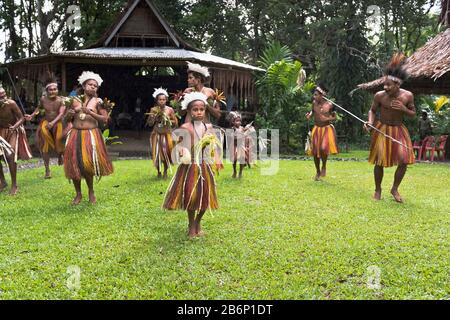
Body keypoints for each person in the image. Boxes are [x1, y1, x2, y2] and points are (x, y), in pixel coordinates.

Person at [163, 92, 220, 238]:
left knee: (205, 197)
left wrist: (213, 154)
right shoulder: (186, 127)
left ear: (205, 110)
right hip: (190, 167)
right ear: (189, 111)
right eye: (195, 109)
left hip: (204, 166)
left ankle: (197, 222)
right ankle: (191, 224)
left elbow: (213, 148)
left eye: (202, 109)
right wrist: (182, 150)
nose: (199, 112)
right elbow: (180, 144)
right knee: (191, 197)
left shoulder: (208, 127)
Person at [364, 53, 416, 203]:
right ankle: (377, 189)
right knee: (379, 161)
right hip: (382, 128)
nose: (385, 87)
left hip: (399, 129)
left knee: (404, 160)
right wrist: (370, 122)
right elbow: (372, 110)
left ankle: (394, 188)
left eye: (388, 85)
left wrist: (403, 109)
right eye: (384, 85)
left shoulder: (408, 96)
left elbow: (413, 114)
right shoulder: (379, 95)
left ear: (397, 85)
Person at [64, 71, 114, 205]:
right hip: (75, 134)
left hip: (90, 135)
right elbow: (65, 120)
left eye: (95, 86)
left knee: (87, 165)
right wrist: (68, 115)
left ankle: (91, 191)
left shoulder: (99, 102)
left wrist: (91, 112)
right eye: (90, 84)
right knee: (75, 164)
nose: (93, 87)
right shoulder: (73, 101)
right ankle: (78, 193)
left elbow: (105, 120)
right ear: (84, 85)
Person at [25, 75, 66, 178]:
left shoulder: (62, 100)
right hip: (46, 122)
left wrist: (53, 123)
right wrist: (32, 115)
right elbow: (38, 109)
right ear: (47, 91)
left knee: (59, 141)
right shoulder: (43, 99)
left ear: (57, 90)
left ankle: (60, 154)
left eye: (54, 89)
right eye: (50, 90)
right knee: (44, 147)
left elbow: (61, 113)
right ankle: (47, 170)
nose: (52, 91)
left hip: (58, 123)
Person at [0, 87, 33, 195]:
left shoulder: (11, 103)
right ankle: (3, 181)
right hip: (1, 131)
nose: (3, 97)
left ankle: (14, 185)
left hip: (13, 130)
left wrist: (14, 127)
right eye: (0, 95)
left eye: (4, 94)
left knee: (10, 155)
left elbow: (22, 118)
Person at [305, 85, 338, 181]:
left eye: (316, 95)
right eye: (314, 95)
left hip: (326, 129)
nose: (314, 97)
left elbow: (334, 117)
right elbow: (312, 112)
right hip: (316, 129)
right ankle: (318, 171)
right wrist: (309, 115)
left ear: (322, 95)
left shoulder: (330, 105)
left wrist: (327, 118)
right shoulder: (314, 103)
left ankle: (324, 166)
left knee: (323, 149)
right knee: (315, 152)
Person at [147, 88, 178, 179]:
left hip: (166, 134)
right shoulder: (153, 110)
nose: (162, 101)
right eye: (160, 99)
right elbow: (149, 123)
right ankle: (159, 171)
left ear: (166, 100)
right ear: (157, 100)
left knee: (166, 154)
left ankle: (165, 171)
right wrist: (154, 118)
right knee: (157, 154)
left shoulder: (170, 110)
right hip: (156, 134)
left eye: (163, 99)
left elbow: (175, 122)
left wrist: (167, 120)